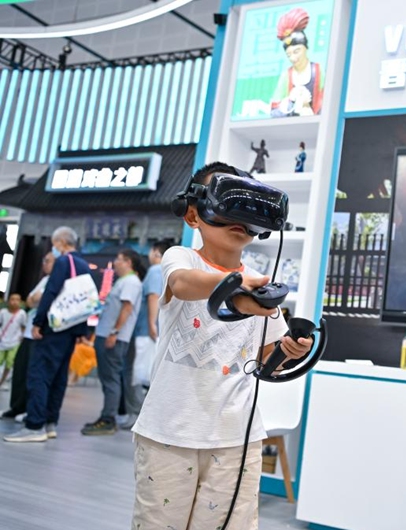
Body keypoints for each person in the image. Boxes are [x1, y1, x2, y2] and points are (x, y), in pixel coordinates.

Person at [130, 162, 312, 529]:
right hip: (169, 433)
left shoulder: (261, 286)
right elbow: (182, 284)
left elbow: (266, 359)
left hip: (236, 439)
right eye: (229, 201)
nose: (238, 217)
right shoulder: (180, 259)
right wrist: (236, 285)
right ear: (193, 215)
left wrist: (289, 351)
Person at [4, 227, 91, 443]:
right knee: (59, 376)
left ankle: (34, 425)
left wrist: (38, 322)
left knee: (39, 374)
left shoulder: (63, 262)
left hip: (54, 328)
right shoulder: (83, 265)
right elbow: (86, 300)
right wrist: (82, 331)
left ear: (61, 242)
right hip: (71, 330)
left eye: (55, 243)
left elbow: (51, 292)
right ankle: (50, 422)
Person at [81, 248, 144, 436]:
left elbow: (126, 308)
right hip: (107, 335)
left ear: (129, 263)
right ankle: (108, 417)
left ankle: (108, 419)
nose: (115, 262)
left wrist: (114, 332)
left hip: (113, 338)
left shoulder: (131, 282)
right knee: (108, 378)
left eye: (119, 259)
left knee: (111, 379)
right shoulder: (125, 281)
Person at [120, 239, 173, 430]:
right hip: (150, 329)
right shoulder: (166, 271)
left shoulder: (154, 270)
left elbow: (152, 297)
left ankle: (137, 415)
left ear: (155, 252)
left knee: (134, 373)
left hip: (144, 329)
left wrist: (151, 323)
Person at [1, 252, 54, 420]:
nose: (44, 264)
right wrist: (35, 298)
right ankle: (16, 407)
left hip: (41, 334)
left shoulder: (58, 281)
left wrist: (37, 298)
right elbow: (30, 301)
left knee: (35, 375)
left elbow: (40, 299)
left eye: (47, 261)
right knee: (20, 372)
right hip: (29, 334)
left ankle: (30, 412)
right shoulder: (45, 279)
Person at [271, 7, 325, 117]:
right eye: (289, 55)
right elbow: (274, 111)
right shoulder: (286, 76)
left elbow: (330, 101)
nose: (293, 58)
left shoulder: (319, 70)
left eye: (297, 51)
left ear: (306, 48)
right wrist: (291, 101)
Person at [0, 293, 27, 389]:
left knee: (10, 362)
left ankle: (2, 381)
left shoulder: (22, 314)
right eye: (12, 299)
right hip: (2, 340)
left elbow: (23, 326)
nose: (14, 302)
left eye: (17, 300)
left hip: (14, 341)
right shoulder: (3, 312)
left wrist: (21, 337)